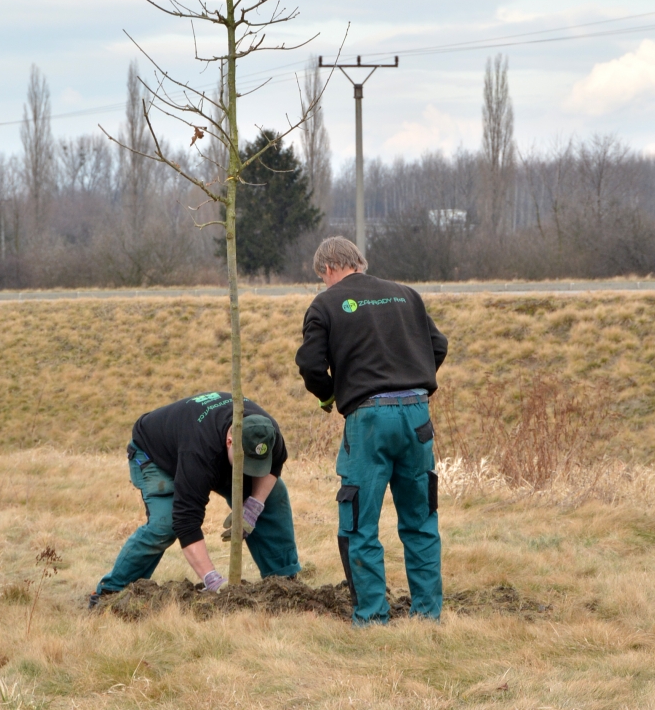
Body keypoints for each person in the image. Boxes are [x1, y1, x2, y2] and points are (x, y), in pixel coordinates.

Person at [295, 236, 448, 625]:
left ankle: (372, 617)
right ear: (358, 262)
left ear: (329, 268)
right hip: (418, 418)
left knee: (360, 522)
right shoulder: (406, 295)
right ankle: (428, 616)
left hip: (369, 420)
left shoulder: (326, 303)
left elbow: (311, 366)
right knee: (421, 518)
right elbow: (439, 346)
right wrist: (413, 379)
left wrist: (330, 397)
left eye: (322, 277)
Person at [90, 391, 300, 606]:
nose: (250, 470)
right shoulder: (199, 453)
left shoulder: (266, 431)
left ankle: (285, 584)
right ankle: (110, 593)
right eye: (245, 462)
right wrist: (212, 579)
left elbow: (275, 464)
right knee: (165, 523)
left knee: (272, 497)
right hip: (155, 455)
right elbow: (185, 520)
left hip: (208, 448)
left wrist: (254, 505)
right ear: (230, 441)